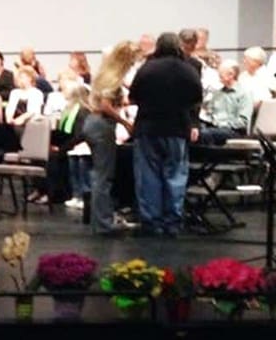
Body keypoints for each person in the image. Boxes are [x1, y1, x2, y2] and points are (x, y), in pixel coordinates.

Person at [128, 31, 204, 237]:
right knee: (175, 176)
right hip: (177, 128)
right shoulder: (188, 69)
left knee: (149, 176)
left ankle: (152, 221)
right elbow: (197, 97)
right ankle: (173, 221)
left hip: (148, 128)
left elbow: (133, 96)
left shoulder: (147, 69)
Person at [82, 40, 136, 235]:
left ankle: (102, 219)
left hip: (93, 123)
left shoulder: (104, 74)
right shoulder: (112, 77)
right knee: (103, 176)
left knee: (100, 174)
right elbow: (105, 105)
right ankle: (103, 223)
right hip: (101, 125)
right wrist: (126, 123)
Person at [197, 61, 253, 144]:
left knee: (205, 134)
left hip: (233, 130)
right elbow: (209, 112)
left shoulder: (244, 94)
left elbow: (243, 121)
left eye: (221, 73)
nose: (219, 75)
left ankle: (209, 156)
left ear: (231, 75)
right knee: (193, 131)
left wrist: (221, 124)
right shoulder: (217, 93)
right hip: (213, 127)